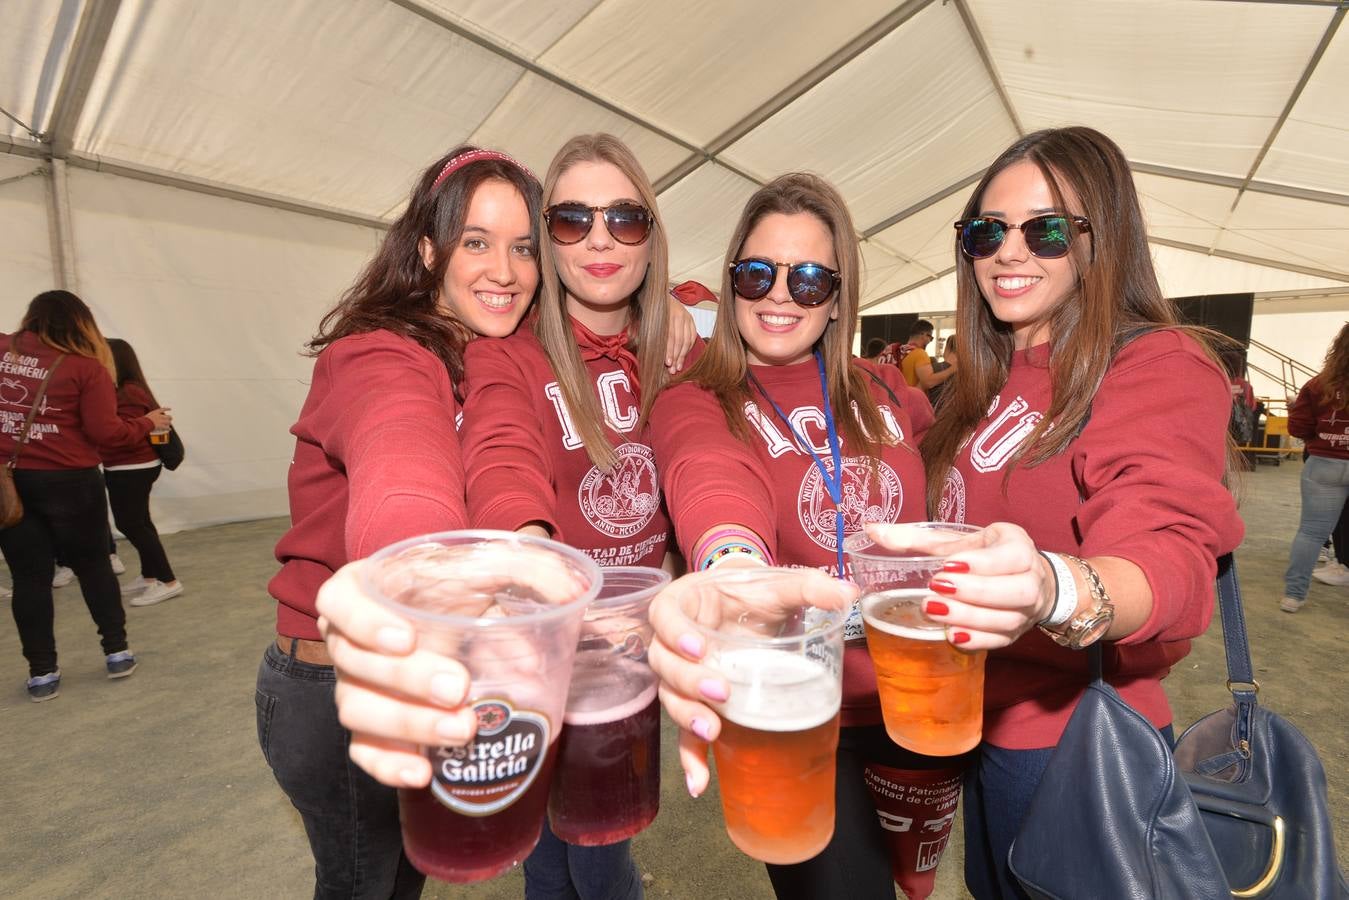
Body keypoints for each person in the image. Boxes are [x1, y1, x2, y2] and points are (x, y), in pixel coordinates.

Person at [912, 126, 1241, 897]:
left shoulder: (1154, 363)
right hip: (978, 729)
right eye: (986, 231)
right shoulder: (982, 380)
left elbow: (1168, 544)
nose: (1008, 252)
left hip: (1075, 743)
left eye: (1047, 230)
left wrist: (1054, 590)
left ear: (1103, 237)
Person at [647, 173, 964, 900]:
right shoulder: (696, 399)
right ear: (731, 285)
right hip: (798, 708)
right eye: (757, 273)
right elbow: (709, 475)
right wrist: (735, 568)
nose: (780, 294)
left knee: (915, 887)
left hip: (915, 693)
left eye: (810, 278)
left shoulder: (886, 390)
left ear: (839, 294)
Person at [257, 146, 543, 899]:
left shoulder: (493, 359)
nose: (504, 271)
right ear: (428, 251)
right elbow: (400, 458)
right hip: (335, 686)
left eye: (523, 248)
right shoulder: (380, 353)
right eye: (475, 242)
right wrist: (422, 572)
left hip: (414, 674)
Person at [459, 132, 677, 900]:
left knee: (590, 837)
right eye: (570, 219)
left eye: (624, 217)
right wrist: (527, 551)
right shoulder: (506, 354)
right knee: (562, 850)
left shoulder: (676, 356)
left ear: (651, 235)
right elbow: (498, 449)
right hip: (538, 633)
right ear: (546, 237)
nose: (598, 239)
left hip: (631, 645)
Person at [0, 291, 171, 701]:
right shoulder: (85, 368)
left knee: (29, 578)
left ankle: (42, 672)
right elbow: (107, 433)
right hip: (70, 480)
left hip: (9, 483)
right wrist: (146, 423)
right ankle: (116, 652)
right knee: (94, 566)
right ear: (81, 324)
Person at [103, 338, 182, 606]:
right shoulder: (125, 390)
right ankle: (150, 576)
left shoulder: (128, 392)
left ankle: (168, 580)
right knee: (140, 522)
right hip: (129, 465)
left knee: (132, 524)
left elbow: (124, 433)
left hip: (132, 466)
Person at [1281, 323, 1349, 612]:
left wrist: (1321, 439)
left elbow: (1297, 427)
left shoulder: (1318, 385)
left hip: (1324, 464)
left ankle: (1293, 596)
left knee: (1311, 533)